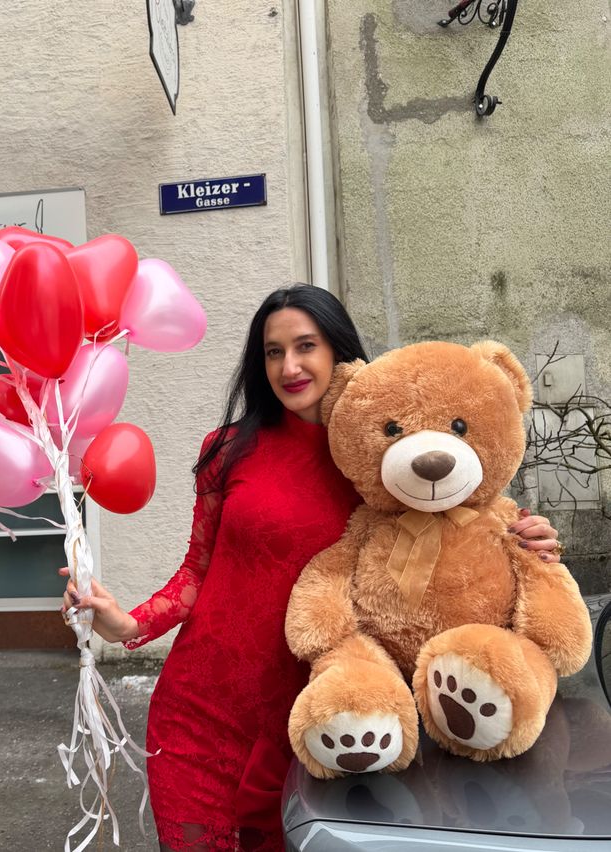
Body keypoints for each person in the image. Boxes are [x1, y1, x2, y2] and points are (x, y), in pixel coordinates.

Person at [60, 285, 561, 852]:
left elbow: (460, 541)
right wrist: (129, 624)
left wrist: (526, 541)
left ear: (339, 352)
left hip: (322, 721)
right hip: (200, 709)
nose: (289, 366)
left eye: (306, 346)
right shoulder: (228, 449)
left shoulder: (382, 462)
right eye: (273, 352)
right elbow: (197, 571)